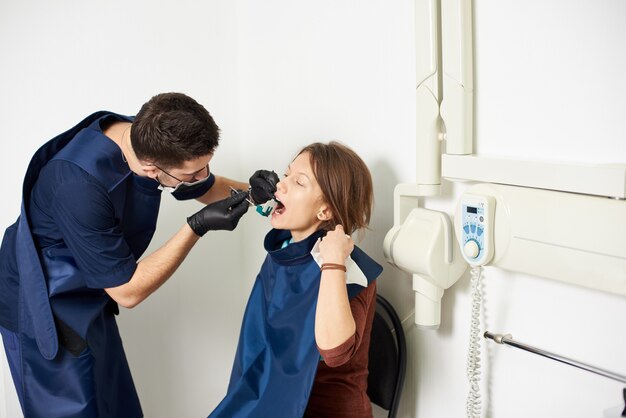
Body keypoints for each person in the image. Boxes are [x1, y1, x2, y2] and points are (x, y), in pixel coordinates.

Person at [0, 92, 278, 418]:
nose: (203, 178)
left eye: (206, 167)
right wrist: (196, 227)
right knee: (75, 411)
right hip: (43, 301)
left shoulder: (148, 132)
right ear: (149, 168)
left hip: (90, 290)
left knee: (116, 406)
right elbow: (128, 291)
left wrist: (250, 193)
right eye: (192, 174)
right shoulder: (77, 186)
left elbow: (199, 183)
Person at [209, 141, 383, 418]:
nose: (281, 186)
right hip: (271, 396)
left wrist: (334, 263)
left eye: (298, 182)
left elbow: (335, 351)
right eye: (286, 174)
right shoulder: (284, 250)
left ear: (325, 211)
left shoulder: (350, 269)